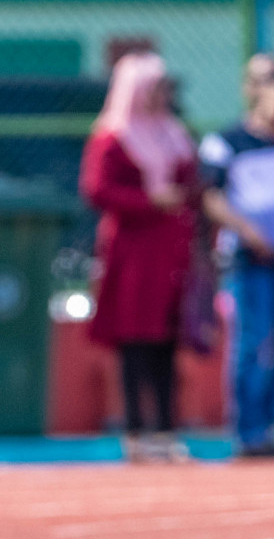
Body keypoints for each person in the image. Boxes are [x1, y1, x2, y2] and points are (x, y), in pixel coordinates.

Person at [82, 52, 197, 462]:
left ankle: (166, 429)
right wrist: (150, 199)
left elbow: (192, 185)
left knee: (167, 340)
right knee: (135, 339)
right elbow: (97, 190)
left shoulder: (174, 133)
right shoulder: (113, 136)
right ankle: (134, 430)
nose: (162, 96)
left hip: (171, 251)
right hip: (132, 250)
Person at [199, 53, 274, 459]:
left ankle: (269, 427)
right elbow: (211, 195)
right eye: (261, 80)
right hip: (251, 258)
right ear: (247, 87)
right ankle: (248, 431)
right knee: (253, 340)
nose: (269, 87)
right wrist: (247, 229)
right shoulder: (225, 141)